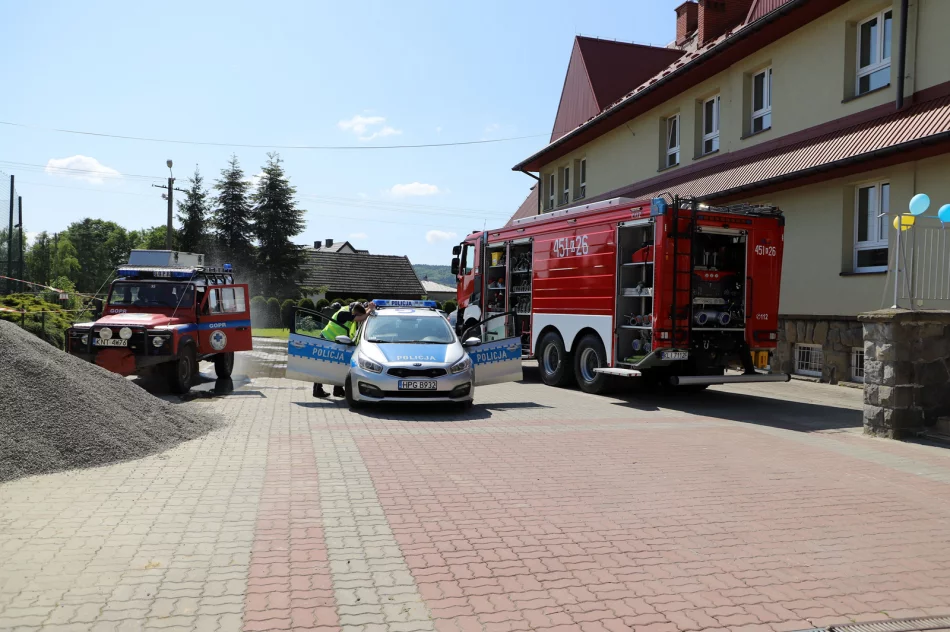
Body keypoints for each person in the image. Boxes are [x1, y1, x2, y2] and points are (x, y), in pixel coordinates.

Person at [313, 302, 374, 398]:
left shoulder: (350, 310)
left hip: (337, 342)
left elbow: (360, 314)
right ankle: (317, 390)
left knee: (339, 364)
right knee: (323, 365)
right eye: (356, 314)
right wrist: (370, 309)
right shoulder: (344, 314)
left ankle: (338, 389)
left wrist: (369, 308)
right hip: (327, 339)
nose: (356, 317)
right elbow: (361, 317)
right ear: (354, 311)